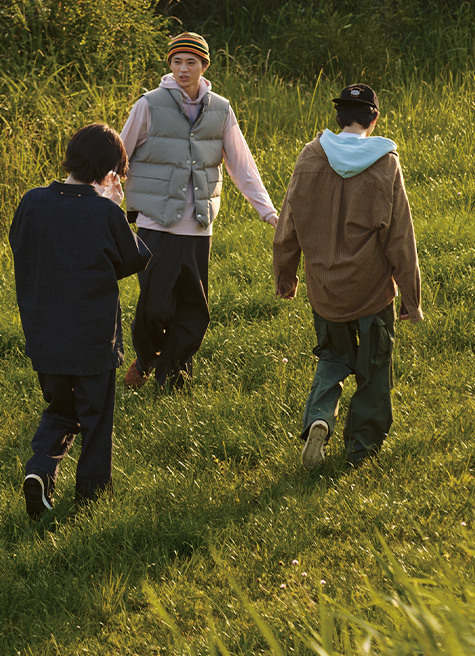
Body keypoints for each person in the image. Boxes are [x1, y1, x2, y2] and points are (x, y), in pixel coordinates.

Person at [273, 83, 422, 470]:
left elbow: (288, 223)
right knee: (373, 368)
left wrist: (285, 276)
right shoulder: (386, 162)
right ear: (374, 117)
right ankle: (360, 450)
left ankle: (319, 416)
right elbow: (400, 236)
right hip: (372, 290)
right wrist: (411, 297)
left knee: (333, 356)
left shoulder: (310, 155)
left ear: (338, 116)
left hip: (324, 288)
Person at [120, 31, 278, 392]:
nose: (183, 68)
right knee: (155, 307)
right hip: (155, 225)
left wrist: (267, 211)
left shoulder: (221, 109)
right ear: (169, 65)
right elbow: (120, 157)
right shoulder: (148, 104)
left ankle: (175, 382)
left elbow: (242, 165)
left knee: (194, 312)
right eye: (177, 61)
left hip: (198, 227)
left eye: (191, 62)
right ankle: (147, 359)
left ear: (204, 66)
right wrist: (98, 204)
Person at [9, 123, 151, 519]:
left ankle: (40, 470)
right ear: (110, 174)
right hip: (93, 341)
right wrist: (112, 205)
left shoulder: (32, 202)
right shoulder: (104, 212)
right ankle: (91, 500)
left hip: (45, 337)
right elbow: (133, 259)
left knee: (60, 409)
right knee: (96, 420)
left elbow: (19, 244)